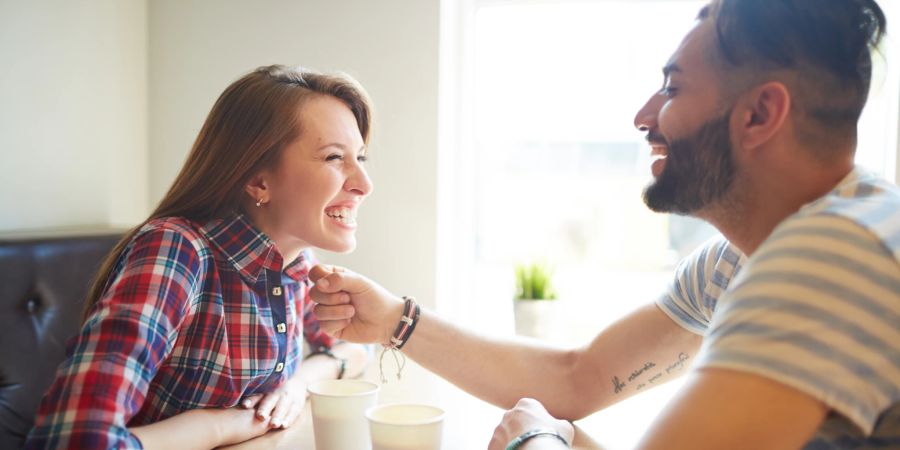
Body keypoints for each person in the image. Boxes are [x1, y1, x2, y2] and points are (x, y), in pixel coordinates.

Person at [308, 0, 900, 448]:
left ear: (760, 114)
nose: (645, 117)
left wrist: (535, 441)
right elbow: (579, 377)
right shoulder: (736, 262)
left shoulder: (838, 254)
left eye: (673, 87)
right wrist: (393, 320)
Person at [25, 65, 372, 449]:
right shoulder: (177, 250)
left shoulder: (294, 262)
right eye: (334, 158)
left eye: (361, 157)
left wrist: (298, 385)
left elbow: (353, 346)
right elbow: (74, 441)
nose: (364, 184)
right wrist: (217, 427)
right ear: (259, 181)